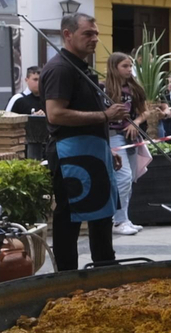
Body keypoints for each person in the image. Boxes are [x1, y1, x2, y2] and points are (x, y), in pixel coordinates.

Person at [42, 13, 125, 270]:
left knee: (102, 215)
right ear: (68, 35)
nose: (95, 39)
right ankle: (67, 277)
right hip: (72, 156)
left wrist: (106, 149)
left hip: (92, 152)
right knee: (69, 219)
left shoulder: (79, 66)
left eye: (96, 34)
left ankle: (105, 270)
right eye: (88, 34)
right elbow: (55, 113)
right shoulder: (60, 68)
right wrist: (105, 115)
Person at [104, 52, 156, 236]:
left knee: (129, 178)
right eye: (124, 66)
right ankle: (118, 221)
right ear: (114, 67)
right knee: (124, 177)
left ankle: (124, 218)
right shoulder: (104, 89)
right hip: (114, 135)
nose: (128, 70)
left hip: (131, 136)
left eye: (130, 66)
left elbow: (144, 112)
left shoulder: (134, 88)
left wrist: (137, 123)